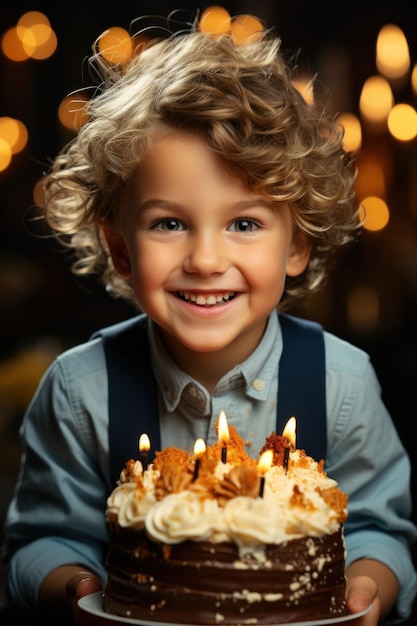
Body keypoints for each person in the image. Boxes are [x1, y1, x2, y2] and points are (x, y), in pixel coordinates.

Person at [2, 6, 416, 625]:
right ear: (120, 246)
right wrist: (77, 588)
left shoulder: (343, 384)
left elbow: (381, 530)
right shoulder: (80, 390)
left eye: (244, 224)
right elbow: (38, 542)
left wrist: (368, 586)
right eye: (169, 223)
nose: (204, 259)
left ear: (296, 244)